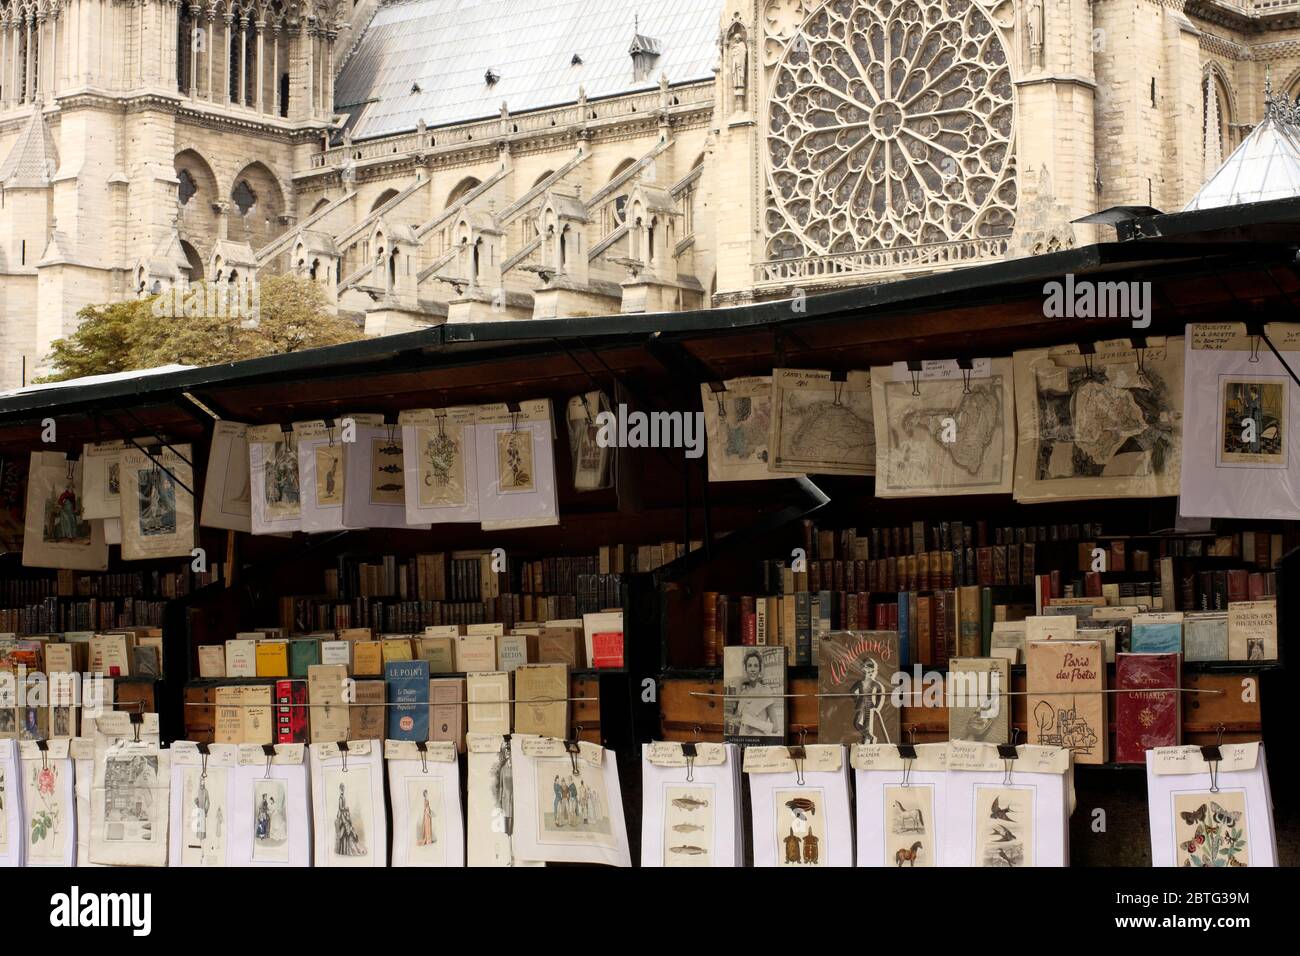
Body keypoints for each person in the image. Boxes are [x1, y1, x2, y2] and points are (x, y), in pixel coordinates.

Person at [735, 651, 779, 738]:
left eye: (756, 666)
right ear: (746, 669)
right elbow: (739, 719)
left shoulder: (765, 691)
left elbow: (775, 728)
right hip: (743, 740)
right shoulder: (743, 693)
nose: (752, 669)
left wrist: (753, 723)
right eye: (749, 666)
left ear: (760, 669)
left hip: (759, 742)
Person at [850, 658, 890, 744]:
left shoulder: (876, 684)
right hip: (860, 706)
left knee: (867, 726)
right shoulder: (859, 683)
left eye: (868, 668)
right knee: (856, 723)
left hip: (870, 707)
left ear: (872, 671)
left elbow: (880, 695)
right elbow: (852, 691)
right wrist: (856, 698)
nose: (865, 671)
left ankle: (866, 745)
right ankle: (870, 737)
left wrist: (876, 707)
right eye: (864, 668)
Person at [335, 784, 362, 856]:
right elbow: (340, 808)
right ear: (340, 789)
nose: (343, 789)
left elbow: (343, 808)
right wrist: (346, 808)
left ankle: (353, 849)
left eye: (343, 788)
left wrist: (346, 810)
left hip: (344, 814)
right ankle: (347, 850)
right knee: (347, 827)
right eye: (342, 788)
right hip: (341, 815)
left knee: (350, 827)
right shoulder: (340, 798)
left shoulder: (343, 797)